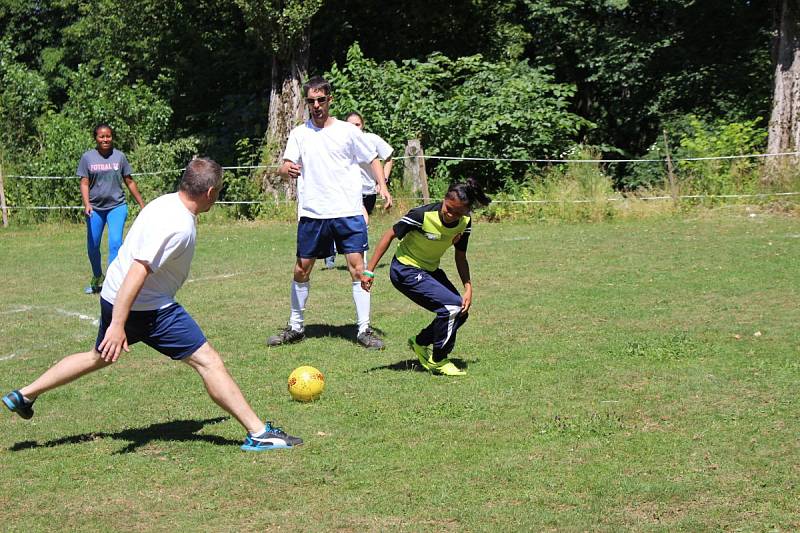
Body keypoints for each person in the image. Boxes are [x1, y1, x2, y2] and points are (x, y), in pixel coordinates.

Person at [3, 158, 302, 452]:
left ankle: (25, 395)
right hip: (145, 307)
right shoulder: (178, 225)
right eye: (219, 190)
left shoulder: (167, 202)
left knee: (99, 356)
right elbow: (138, 271)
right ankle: (259, 432)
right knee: (208, 361)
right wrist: (119, 325)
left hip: (115, 295)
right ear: (210, 192)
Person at [267, 76, 393, 350]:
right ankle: (296, 327)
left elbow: (372, 157)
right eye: (311, 101)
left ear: (329, 100)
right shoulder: (300, 133)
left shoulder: (348, 131)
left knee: (358, 269)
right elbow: (285, 165)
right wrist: (286, 169)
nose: (316, 105)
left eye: (320, 100)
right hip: (313, 213)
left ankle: (363, 330)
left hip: (347, 211)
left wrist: (382, 186)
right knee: (302, 269)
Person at [360, 179, 491, 376]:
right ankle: (438, 360)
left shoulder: (465, 222)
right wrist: (369, 271)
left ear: (465, 212)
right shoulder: (422, 215)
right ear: (444, 199)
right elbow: (389, 235)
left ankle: (420, 342)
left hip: (429, 269)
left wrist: (468, 287)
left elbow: (461, 256)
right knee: (452, 307)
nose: (450, 215)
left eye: (457, 212)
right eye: (448, 208)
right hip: (405, 269)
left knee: (460, 310)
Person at [78, 123, 145, 294]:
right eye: (102, 136)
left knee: (115, 243)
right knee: (93, 246)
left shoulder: (120, 157)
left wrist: (142, 204)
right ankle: (97, 276)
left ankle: (111, 282)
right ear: (96, 138)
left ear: (112, 137)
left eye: (108, 136)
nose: (105, 139)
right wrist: (87, 204)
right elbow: (84, 182)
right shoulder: (88, 158)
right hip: (95, 209)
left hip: (117, 206)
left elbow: (129, 181)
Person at [324, 112, 394, 269]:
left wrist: (383, 182)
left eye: (357, 124)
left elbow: (389, 157)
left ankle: (334, 247)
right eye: (350, 125)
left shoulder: (372, 140)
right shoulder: (340, 140)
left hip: (369, 191)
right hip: (348, 190)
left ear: (363, 125)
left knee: (355, 224)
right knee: (363, 221)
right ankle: (359, 260)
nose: (354, 128)